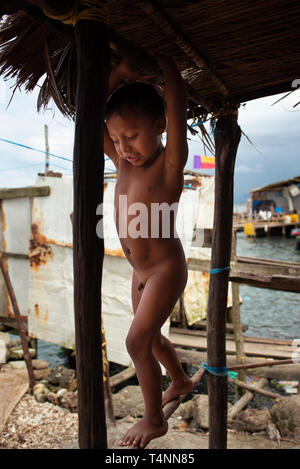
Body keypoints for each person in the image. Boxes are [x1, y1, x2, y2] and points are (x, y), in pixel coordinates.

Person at [104, 56, 193, 449]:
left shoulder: (168, 165)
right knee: (152, 338)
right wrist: (120, 75)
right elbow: (94, 120)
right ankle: (180, 380)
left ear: (159, 128)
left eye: (133, 136)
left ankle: (154, 419)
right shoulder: (122, 162)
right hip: (140, 273)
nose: (125, 148)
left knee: (136, 342)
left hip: (164, 269)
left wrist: (168, 69)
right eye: (118, 140)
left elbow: (176, 108)